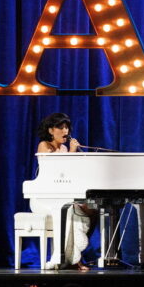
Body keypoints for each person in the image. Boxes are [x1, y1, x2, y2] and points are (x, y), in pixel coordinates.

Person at [33, 112, 95, 271]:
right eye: (60, 127)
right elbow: (55, 172)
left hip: (61, 197)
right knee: (67, 211)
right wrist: (72, 152)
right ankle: (64, 258)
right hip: (43, 199)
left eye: (66, 127)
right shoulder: (44, 145)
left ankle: (71, 257)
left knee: (87, 210)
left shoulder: (64, 148)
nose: (65, 131)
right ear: (50, 130)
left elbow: (68, 175)